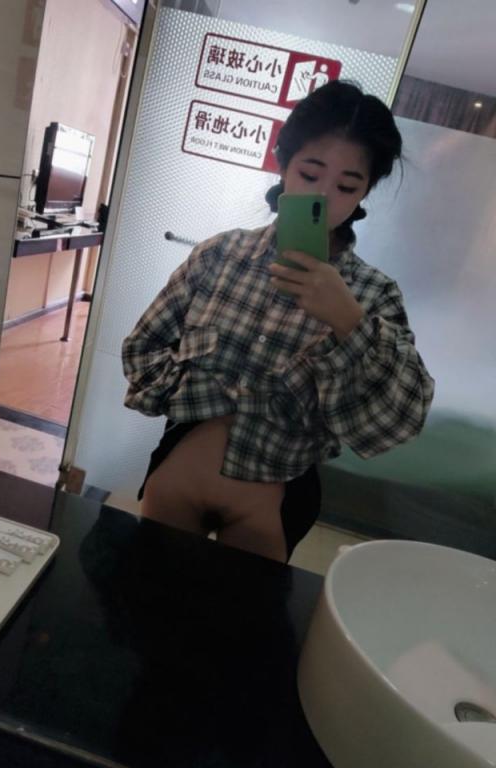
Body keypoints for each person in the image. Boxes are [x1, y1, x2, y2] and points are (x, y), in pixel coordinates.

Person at [121, 80, 435, 563]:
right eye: (310, 173)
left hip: (272, 501)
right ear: (283, 164)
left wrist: (349, 321)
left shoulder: (373, 294)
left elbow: (401, 417)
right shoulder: (218, 255)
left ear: (363, 194)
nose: (323, 196)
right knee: (145, 600)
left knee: (242, 612)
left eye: (347, 186)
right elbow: (142, 351)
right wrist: (206, 394)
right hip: (178, 480)